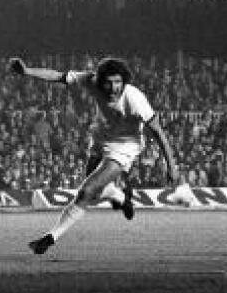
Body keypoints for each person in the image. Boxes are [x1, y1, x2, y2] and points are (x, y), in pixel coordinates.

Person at [9, 56, 179, 255]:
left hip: (125, 146)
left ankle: (49, 238)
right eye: (109, 82)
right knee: (95, 189)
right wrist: (27, 71)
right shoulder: (91, 80)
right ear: (100, 81)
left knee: (86, 191)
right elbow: (58, 76)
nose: (114, 88)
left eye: (118, 82)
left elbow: (158, 132)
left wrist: (171, 166)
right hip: (101, 135)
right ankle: (117, 195)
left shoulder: (135, 99)